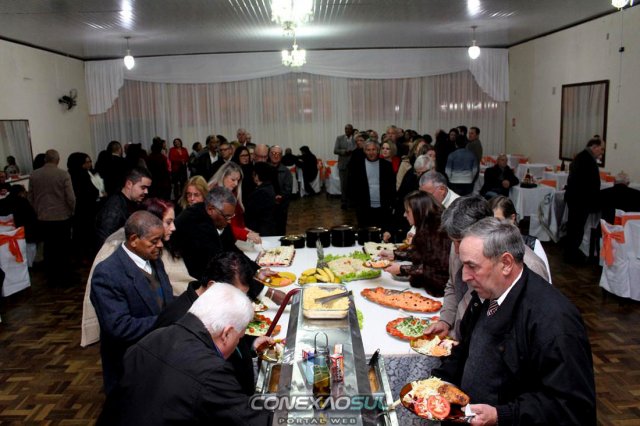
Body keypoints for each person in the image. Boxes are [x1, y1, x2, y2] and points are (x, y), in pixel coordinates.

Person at [432, 218, 596, 426]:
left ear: (506, 264)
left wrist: (500, 415)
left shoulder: (555, 320)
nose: (465, 276)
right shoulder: (488, 293)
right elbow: (466, 350)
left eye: (472, 266)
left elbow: (572, 408)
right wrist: (441, 381)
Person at [97, 283, 272, 425]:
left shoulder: (153, 337)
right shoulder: (211, 371)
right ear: (226, 334)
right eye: (239, 338)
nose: (238, 344)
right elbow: (250, 420)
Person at [426, 195, 549, 340]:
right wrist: (445, 321)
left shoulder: (530, 266)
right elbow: (453, 285)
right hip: (459, 339)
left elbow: (533, 329)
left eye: (459, 241)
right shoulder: (458, 245)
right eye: (453, 241)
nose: (457, 250)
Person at [154, 252, 265, 396]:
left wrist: (252, 342)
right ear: (212, 286)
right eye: (238, 295)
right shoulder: (178, 319)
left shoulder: (219, 306)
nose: (242, 301)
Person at [90, 211, 175, 394]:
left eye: (161, 239)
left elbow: (162, 299)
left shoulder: (153, 259)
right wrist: (168, 320)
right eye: (154, 241)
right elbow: (119, 326)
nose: (160, 245)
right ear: (134, 240)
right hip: (130, 366)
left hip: (159, 357)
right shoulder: (107, 273)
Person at [170, 187, 285, 305]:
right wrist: (268, 292)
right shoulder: (198, 224)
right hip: (182, 276)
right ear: (211, 209)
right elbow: (222, 266)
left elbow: (232, 249)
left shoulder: (219, 217)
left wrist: (256, 270)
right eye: (227, 217)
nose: (229, 221)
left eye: (231, 216)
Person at [383, 191, 451, 296]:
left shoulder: (439, 231)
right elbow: (422, 254)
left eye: (407, 211)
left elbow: (436, 268)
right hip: (428, 286)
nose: (404, 215)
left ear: (419, 211)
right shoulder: (426, 225)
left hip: (440, 290)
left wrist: (401, 269)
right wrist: (395, 254)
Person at [28, 149, 76, 286]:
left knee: (49, 248)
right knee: (62, 248)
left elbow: (30, 197)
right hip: (61, 216)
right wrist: (71, 211)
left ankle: (51, 276)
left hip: (43, 217)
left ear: (45, 159)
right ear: (58, 160)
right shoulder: (63, 174)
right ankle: (64, 276)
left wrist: (38, 210)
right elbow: (71, 197)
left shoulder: (34, 175)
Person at [489, 195, 551, 282]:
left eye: (498, 221)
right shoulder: (484, 245)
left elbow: (545, 284)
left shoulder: (532, 245)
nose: (492, 227)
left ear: (512, 218)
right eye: (488, 222)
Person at [564, 138, 605, 264]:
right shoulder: (586, 158)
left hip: (577, 199)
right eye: (601, 149)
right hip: (580, 200)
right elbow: (585, 183)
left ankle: (571, 253)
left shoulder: (582, 157)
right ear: (594, 147)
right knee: (576, 228)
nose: (602, 152)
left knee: (575, 227)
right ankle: (571, 255)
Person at [95, 167, 151, 248]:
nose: (146, 192)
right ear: (129, 184)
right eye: (143, 188)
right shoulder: (114, 207)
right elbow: (104, 240)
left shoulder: (132, 202)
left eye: (147, 188)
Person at [209, 162, 261, 243]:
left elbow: (237, 221)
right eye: (233, 180)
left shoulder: (232, 193)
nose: (236, 184)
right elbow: (220, 226)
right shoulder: (214, 194)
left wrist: (246, 230)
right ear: (223, 176)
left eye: (238, 180)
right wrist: (245, 234)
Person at [348, 140, 395, 230]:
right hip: (364, 208)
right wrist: (355, 204)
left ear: (378, 150)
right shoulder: (357, 166)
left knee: (383, 232)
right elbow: (352, 186)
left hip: (383, 208)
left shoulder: (387, 165)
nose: (371, 152)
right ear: (365, 151)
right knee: (365, 232)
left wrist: (391, 204)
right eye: (368, 150)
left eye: (373, 149)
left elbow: (392, 187)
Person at [67, 152, 99, 261]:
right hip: (84, 209)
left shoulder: (72, 174)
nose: (88, 164)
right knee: (85, 233)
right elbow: (91, 192)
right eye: (86, 162)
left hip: (80, 209)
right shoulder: (82, 176)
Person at [245, 161, 277, 236]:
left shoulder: (261, 192)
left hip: (261, 230)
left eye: (254, 174)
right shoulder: (268, 187)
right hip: (267, 228)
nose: (252, 176)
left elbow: (251, 214)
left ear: (257, 176)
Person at [268, 145, 292, 235]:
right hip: (266, 208)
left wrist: (280, 197)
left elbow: (288, 190)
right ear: (269, 155)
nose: (276, 155)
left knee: (280, 232)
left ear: (281, 156)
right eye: (273, 153)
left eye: (278, 154)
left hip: (281, 208)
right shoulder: (265, 169)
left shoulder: (286, 171)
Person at [334, 124, 356, 209]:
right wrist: (344, 151)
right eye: (346, 129)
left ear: (352, 130)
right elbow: (335, 150)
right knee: (343, 185)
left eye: (349, 129)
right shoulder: (339, 138)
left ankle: (351, 202)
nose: (347, 130)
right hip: (343, 165)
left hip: (353, 166)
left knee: (351, 185)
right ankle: (343, 202)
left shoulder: (355, 139)